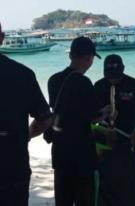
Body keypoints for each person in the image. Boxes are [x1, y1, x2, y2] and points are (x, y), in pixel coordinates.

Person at [0, 22, 52, 206]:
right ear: (2, 38)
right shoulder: (23, 74)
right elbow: (45, 119)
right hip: (13, 164)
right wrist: (26, 135)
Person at [46, 36, 102, 206]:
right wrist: (105, 113)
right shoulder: (85, 83)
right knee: (85, 200)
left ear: (70, 55)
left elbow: (59, 110)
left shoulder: (53, 80)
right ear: (89, 58)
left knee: (63, 200)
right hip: (83, 153)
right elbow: (93, 117)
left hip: (61, 151)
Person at [94, 54, 135, 206]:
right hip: (103, 138)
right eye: (109, 76)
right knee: (104, 179)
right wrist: (101, 114)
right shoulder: (98, 86)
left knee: (133, 178)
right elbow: (90, 115)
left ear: (123, 70)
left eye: (116, 76)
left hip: (130, 137)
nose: (113, 79)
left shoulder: (133, 84)